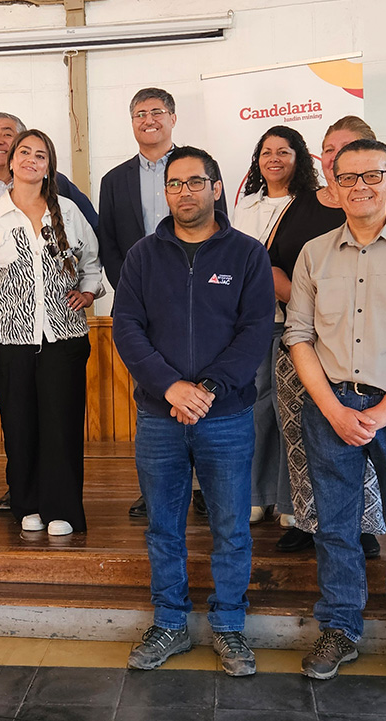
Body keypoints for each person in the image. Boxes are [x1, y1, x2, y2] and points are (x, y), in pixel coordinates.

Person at [285, 138, 386, 693]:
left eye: (371, 175)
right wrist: (333, 409)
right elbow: (299, 335)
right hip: (330, 406)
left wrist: (381, 411)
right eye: (347, 177)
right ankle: (339, 630)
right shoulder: (314, 253)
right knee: (335, 528)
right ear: (332, 187)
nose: (359, 186)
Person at [114, 146, 274, 675]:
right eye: (175, 184)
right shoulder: (142, 256)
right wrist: (170, 388)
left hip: (225, 416)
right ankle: (170, 623)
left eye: (195, 182)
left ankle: (229, 625)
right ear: (166, 193)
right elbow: (127, 329)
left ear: (216, 187)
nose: (184, 192)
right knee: (164, 527)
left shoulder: (247, 255)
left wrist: (204, 389)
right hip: (160, 418)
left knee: (231, 527)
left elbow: (256, 331)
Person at [268, 116, 386, 557]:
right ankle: (312, 526)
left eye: (354, 152)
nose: (345, 164)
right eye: (331, 151)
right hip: (313, 357)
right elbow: (272, 265)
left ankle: (369, 532)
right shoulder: (303, 212)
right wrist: (315, 306)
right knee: (310, 453)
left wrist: (385, 408)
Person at [97, 87, 228, 520]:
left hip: (200, 302)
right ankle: (155, 487)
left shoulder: (198, 168)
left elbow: (220, 230)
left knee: (201, 382)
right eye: (140, 113)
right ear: (131, 121)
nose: (148, 119)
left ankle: (204, 486)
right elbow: (109, 244)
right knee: (152, 391)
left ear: (172, 117)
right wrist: (134, 291)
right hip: (142, 306)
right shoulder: (113, 180)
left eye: (157, 111)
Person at [0, 129, 104, 535]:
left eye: (40, 155)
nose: (31, 159)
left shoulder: (69, 212)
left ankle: (62, 509)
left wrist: (88, 291)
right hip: (10, 342)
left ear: (48, 166)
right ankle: (27, 504)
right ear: (10, 162)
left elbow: (92, 263)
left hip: (64, 339)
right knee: (20, 426)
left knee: (61, 427)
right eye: (24, 152)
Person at [231, 125, 318, 527]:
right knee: (256, 406)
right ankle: (256, 495)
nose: (274, 159)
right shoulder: (246, 206)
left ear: (299, 158)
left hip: (295, 322)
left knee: (291, 411)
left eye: (284, 151)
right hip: (252, 321)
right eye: (266, 152)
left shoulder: (311, 205)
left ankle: (288, 501)